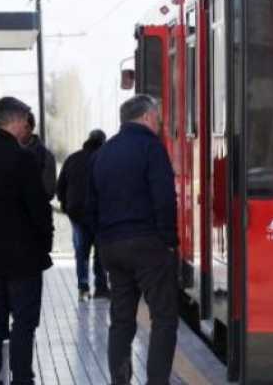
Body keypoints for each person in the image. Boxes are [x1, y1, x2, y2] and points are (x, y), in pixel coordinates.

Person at [87, 95, 179, 385]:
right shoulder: (152, 148)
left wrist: (102, 239)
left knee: (122, 319)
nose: (159, 122)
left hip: (112, 245)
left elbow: (90, 202)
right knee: (164, 318)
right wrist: (168, 239)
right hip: (147, 244)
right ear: (147, 117)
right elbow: (164, 198)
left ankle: (120, 380)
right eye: (157, 117)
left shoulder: (104, 152)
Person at [0, 97, 54, 385]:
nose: (28, 128)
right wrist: (45, 243)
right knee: (24, 323)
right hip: (23, 258)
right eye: (26, 122)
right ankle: (22, 377)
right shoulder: (23, 158)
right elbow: (38, 209)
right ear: (14, 121)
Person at [56, 129, 110, 300]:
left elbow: (60, 186)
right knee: (101, 251)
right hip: (99, 213)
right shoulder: (105, 159)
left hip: (76, 213)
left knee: (81, 251)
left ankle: (83, 288)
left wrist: (66, 205)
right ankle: (101, 287)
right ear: (103, 142)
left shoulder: (73, 158)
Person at [21, 112, 57, 200]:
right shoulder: (8, 151)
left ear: (30, 128)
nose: (19, 131)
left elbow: (48, 191)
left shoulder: (46, 156)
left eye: (23, 127)